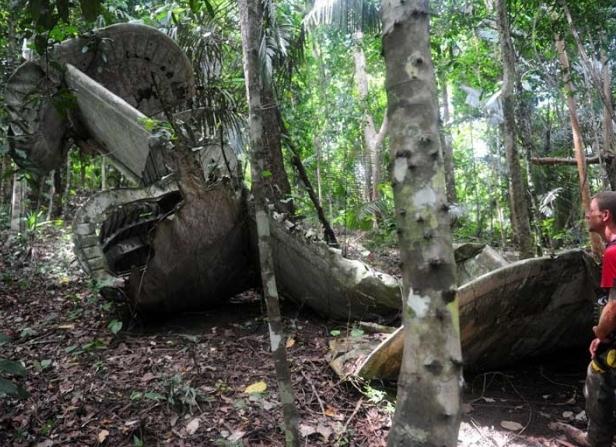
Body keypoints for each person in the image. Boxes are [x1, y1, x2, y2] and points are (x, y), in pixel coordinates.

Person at [584, 191, 616, 446]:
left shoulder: (613, 252)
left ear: (605, 216)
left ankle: (598, 440)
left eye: (591, 211)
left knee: (596, 373)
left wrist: (600, 334)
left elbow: (615, 305)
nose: (587, 215)